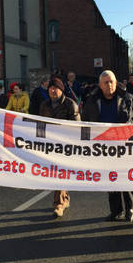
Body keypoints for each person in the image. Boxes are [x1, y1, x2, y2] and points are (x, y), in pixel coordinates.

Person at [82, 70, 133, 222]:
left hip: (125, 147)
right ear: (100, 85)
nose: (109, 85)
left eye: (112, 81)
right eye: (106, 82)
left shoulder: (128, 98)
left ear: (116, 82)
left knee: (126, 179)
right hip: (104, 148)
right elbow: (85, 122)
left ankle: (130, 209)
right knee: (110, 179)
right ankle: (115, 210)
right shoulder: (92, 101)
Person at [39, 76, 80, 217]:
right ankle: (65, 199)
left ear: (61, 90)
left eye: (55, 88)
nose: (52, 90)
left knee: (59, 173)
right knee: (55, 173)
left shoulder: (70, 105)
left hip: (65, 145)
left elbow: (77, 128)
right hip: (50, 145)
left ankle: (59, 204)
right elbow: (40, 125)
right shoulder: (44, 105)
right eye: (50, 88)